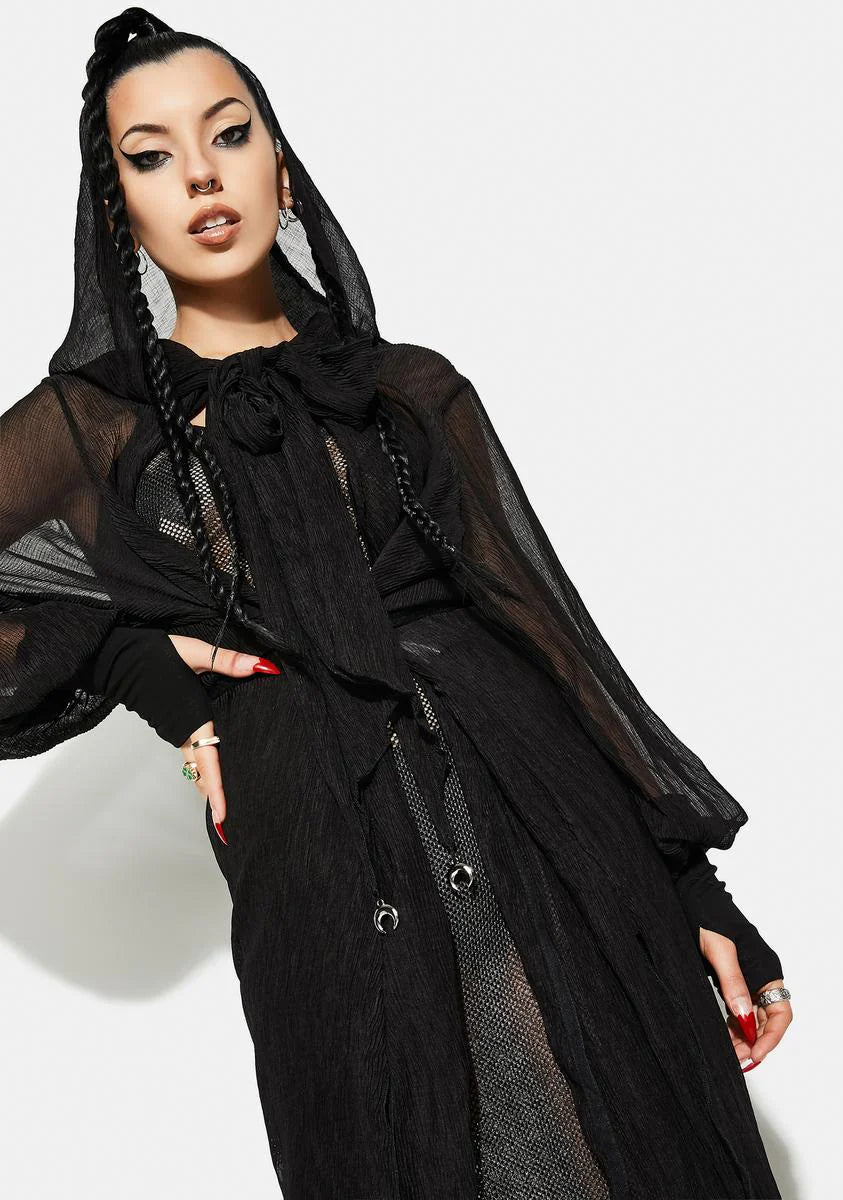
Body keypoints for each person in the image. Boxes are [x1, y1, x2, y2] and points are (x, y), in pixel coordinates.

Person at [0, 8, 791, 1198]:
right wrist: (158, 679)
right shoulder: (93, 428)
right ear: (118, 213)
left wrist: (694, 886)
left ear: (283, 169)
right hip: (324, 864)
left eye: (230, 134)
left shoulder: (411, 389)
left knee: (626, 1134)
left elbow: (547, 633)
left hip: (545, 819)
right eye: (151, 156)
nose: (202, 174)